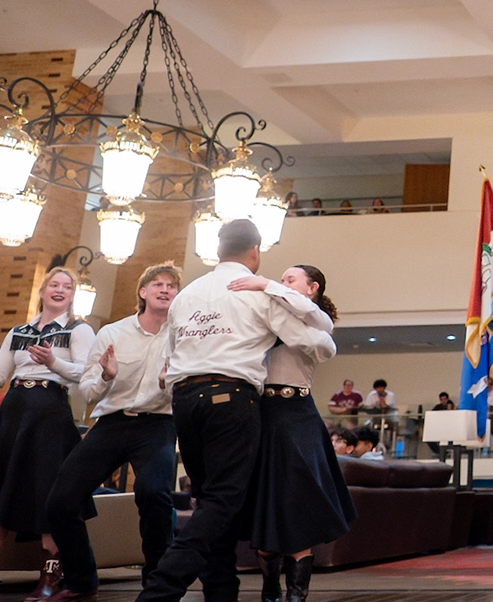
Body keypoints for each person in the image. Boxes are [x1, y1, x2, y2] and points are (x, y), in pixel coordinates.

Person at [133, 219, 337, 602]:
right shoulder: (256, 293)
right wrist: (327, 343)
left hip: (184, 401)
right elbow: (313, 340)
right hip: (230, 397)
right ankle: (160, 589)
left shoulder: (187, 294)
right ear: (255, 251)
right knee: (222, 501)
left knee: (207, 499)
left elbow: (170, 354)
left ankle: (221, 591)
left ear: (218, 249)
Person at [0, 266, 95, 602]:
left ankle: (50, 577)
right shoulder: (20, 331)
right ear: (42, 290)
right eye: (54, 284)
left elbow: (86, 372)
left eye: (67, 286)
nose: (59, 290)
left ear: (72, 295)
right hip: (13, 412)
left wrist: (53, 362)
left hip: (50, 413)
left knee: (47, 492)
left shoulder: (78, 329)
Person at [41, 263, 183, 602]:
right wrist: (106, 376)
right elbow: (88, 392)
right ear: (143, 292)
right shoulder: (113, 333)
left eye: (171, 286)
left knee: (154, 494)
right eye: (158, 284)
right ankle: (81, 581)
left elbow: (189, 393)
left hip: (158, 423)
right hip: (112, 423)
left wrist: (170, 383)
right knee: (60, 502)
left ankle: (157, 585)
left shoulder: (183, 337)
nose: (165, 289)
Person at [225, 264, 350, 602]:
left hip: (297, 413)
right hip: (261, 411)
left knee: (298, 496)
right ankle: (270, 586)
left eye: (290, 280)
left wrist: (265, 284)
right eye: (281, 279)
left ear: (313, 287)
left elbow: (316, 332)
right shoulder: (268, 315)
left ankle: (297, 594)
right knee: (264, 495)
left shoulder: (315, 321)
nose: (282, 284)